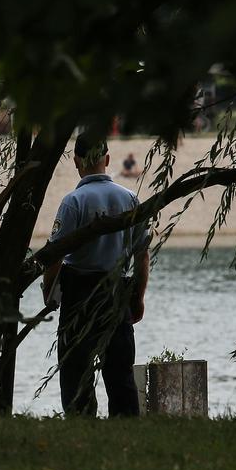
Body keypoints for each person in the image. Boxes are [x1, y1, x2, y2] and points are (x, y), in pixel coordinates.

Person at [42, 131, 150, 417]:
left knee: (76, 365)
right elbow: (142, 254)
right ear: (108, 159)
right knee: (120, 367)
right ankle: (125, 422)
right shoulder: (131, 199)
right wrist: (137, 297)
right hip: (117, 291)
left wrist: (48, 290)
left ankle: (81, 420)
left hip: (80, 290)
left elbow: (55, 254)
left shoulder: (73, 202)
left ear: (76, 161)